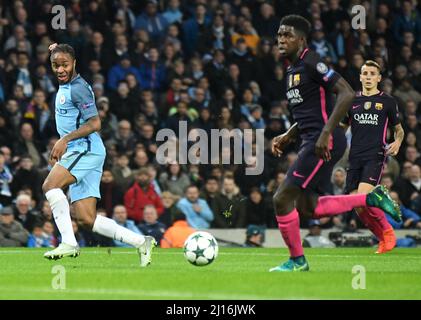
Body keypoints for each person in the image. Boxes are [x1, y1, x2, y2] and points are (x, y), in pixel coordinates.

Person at [270, 15, 401, 272]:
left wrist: (325, 134)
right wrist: (288, 135)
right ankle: (370, 198)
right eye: (279, 35)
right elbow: (311, 113)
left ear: (301, 39)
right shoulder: (292, 70)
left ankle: (298, 261)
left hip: (322, 141)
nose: (281, 39)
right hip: (313, 138)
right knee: (309, 208)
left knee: (282, 198)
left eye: (287, 35)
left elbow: (347, 93)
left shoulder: (311, 63)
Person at [41, 44, 155, 267]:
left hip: (84, 148)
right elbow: (59, 52)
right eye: (56, 65)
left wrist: (64, 139)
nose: (60, 69)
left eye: (64, 64)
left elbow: (95, 123)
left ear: (74, 63)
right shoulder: (66, 83)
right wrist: (54, 48)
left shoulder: (78, 88)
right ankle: (141, 241)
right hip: (86, 150)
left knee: (50, 186)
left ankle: (68, 243)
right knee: (86, 219)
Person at [341, 60, 405, 254]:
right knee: (357, 206)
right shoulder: (352, 100)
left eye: (372, 74)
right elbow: (342, 127)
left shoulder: (387, 101)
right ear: (360, 77)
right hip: (354, 157)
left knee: (361, 196)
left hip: (374, 155)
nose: (368, 77)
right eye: (365, 73)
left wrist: (398, 142)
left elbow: (399, 130)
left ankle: (388, 232)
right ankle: (382, 239)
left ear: (378, 78)